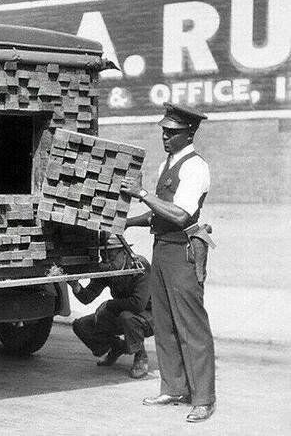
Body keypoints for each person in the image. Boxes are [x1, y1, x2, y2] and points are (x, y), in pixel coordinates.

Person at [121, 103, 216, 423]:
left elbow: (180, 213)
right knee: (164, 323)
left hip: (183, 252)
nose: (165, 136)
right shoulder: (167, 163)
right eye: (164, 130)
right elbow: (158, 212)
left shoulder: (195, 167)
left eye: (172, 132)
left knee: (191, 326)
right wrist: (128, 223)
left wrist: (143, 192)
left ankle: (203, 398)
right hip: (162, 248)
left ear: (189, 133)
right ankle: (174, 387)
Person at [69, 234, 153, 379]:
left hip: (150, 316)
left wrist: (109, 304)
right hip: (123, 313)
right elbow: (87, 297)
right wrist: (75, 285)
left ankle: (140, 356)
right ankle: (117, 347)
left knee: (127, 317)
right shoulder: (109, 269)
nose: (108, 262)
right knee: (82, 325)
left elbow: (138, 304)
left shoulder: (140, 265)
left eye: (112, 257)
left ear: (124, 252)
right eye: (104, 257)